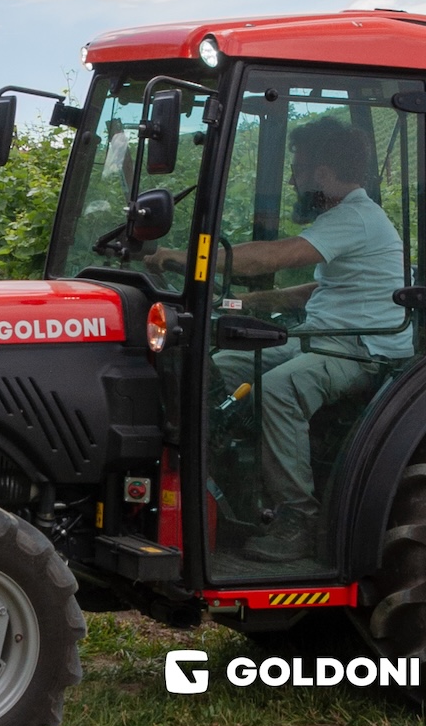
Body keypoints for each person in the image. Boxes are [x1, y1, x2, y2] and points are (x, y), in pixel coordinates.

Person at [148, 117, 412, 561]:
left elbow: (273, 255)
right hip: (323, 336)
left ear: (323, 175)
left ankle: (297, 518)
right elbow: (323, 290)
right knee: (218, 367)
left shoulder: (356, 217)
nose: (292, 179)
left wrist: (183, 257)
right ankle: (222, 483)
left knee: (279, 389)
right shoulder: (345, 220)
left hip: (365, 348)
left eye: (297, 169)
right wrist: (250, 303)